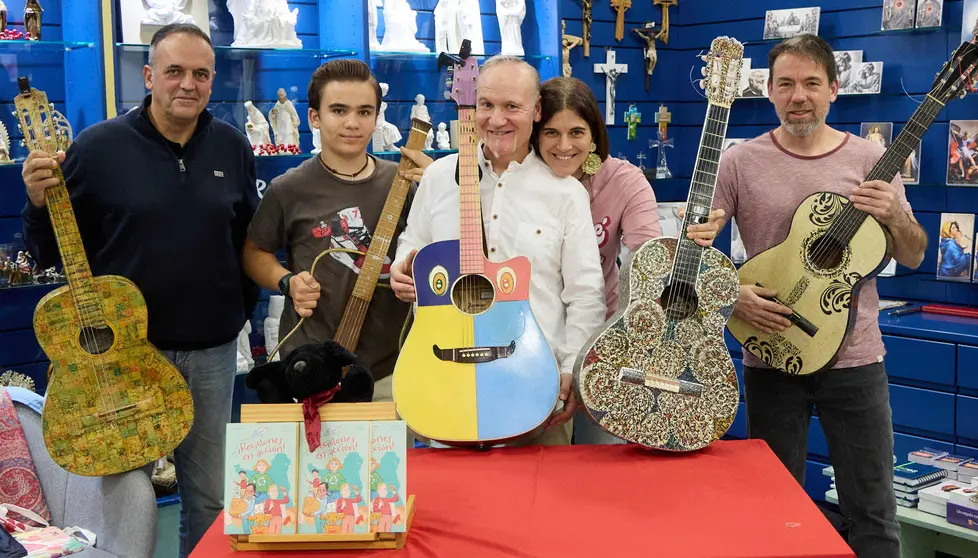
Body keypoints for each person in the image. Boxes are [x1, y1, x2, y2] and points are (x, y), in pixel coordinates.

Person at [20, 23, 260, 557]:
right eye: (174, 71)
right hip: (119, 363)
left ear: (213, 80)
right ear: (149, 75)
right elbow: (52, 251)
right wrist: (38, 206)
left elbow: (249, 242)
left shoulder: (233, 146)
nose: (187, 84)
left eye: (200, 73)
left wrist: (232, 315)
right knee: (123, 499)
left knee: (212, 497)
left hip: (212, 354)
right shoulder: (98, 148)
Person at [694, 34, 927, 557]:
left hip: (856, 360)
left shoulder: (872, 158)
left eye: (811, 84)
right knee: (772, 506)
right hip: (770, 353)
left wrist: (894, 214)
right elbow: (696, 252)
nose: (798, 95)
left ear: (834, 90)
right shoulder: (739, 162)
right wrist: (733, 293)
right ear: (770, 92)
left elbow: (913, 254)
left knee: (873, 509)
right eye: (786, 84)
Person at [390, 56, 606, 446]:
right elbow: (412, 243)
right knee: (450, 505)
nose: (496, 119)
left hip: (535, 386)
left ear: (536, 110)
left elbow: (585, 294)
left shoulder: (566, 194)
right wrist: (402, 271)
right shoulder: (440, 176)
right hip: (444, 380)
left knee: (543, 504)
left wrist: (572, 367)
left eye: (512, 106)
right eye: (486, 105)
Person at [243, 59, 432, 403]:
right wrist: (287, 282)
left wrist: (440, 184)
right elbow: (255, 252)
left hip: (393, 369)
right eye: (339, 110)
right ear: (314, 117)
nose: (352, 123)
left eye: (364, 112)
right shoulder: (289, 188)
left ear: (377, 117)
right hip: (311, 371)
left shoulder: (405, 182)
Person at [529, 76, 664, 444]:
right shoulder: (522, 183)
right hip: (532, 343)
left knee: (602, 461)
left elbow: (648, 261)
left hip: (602, 344)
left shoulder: (623, 181)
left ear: (594, 135)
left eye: (576, 132)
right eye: (551, 133)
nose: (564, 145)